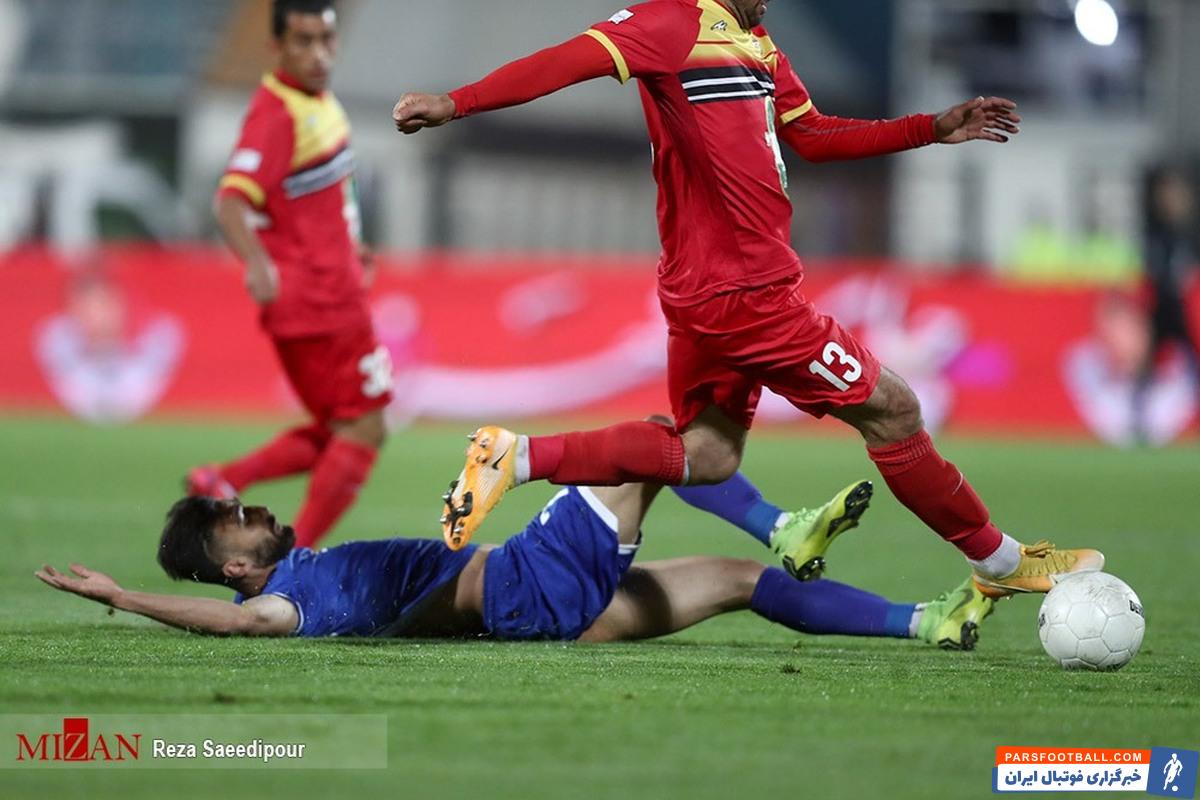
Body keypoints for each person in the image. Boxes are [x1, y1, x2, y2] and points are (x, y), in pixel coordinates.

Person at [391, 0, 1102, 597]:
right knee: (894, 410)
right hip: (747, 299)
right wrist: (457, 103)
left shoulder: (756, 43)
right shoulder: (668, 24)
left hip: (707, 293)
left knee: (708, 455)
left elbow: (813, 135)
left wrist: (929, 129)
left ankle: (516, 457)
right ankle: (1000, 562)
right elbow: (564, 60)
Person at [35, 473, 994, 650]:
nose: (252, 510)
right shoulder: (284, 607)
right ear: (235, 570)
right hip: (525, 583)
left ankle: (926, 621)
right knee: (650, 450)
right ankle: (784, 523)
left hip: (542, 608)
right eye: (235, 523)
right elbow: (234, 624)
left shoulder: (308, 572)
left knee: (742, 586)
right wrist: (125, 598)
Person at [187, 0, 392, 549]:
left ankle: (225, 479)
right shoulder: (276, 114)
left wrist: (351, 244)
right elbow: (230, 201)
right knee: (365, 427)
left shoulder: (316, 102)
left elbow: (316, 196)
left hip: (328, 287)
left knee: (339, 427)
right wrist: (255, 262)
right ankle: (297, 557)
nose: (318, 53)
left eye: (326, 39)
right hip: (319, 299)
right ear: (276, 46)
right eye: (303, 41)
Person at [1134, 166, 1199, 442]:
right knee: (1147, 361)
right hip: (1159, 306)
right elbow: (1150, 267)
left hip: (1178, 307)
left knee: (1191, 358)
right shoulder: (1154, 230)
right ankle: (1137, 417)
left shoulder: (1188, 232)